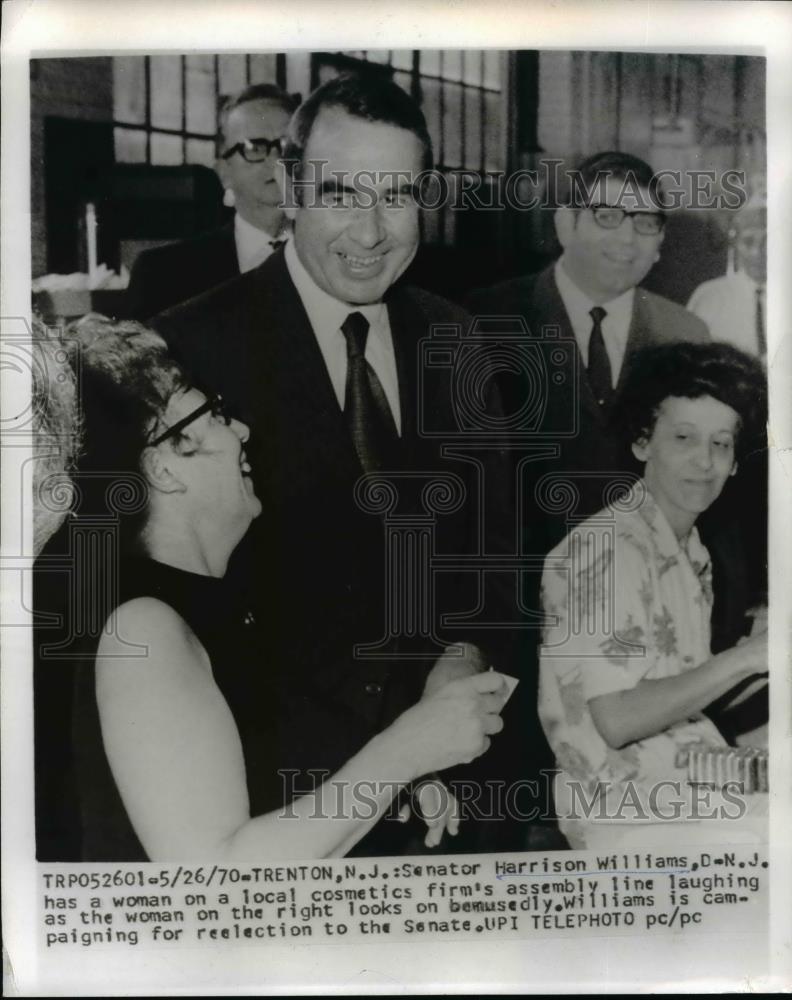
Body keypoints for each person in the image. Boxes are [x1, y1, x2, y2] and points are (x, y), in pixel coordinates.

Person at [152, 73, 516, 855]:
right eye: (343, 191)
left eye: (397, 195)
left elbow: (495, 558)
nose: (372, 230)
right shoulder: (190, 347)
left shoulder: (461, 342)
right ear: (290, 188)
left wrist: (460, 660)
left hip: (451, 804)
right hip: (270, 816)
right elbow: (165, 604)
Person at [67, 317, 507, 862]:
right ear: (163, 468)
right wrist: (407, 751)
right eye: (216, 415)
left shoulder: (220, 603)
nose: (242, 432)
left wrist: (399, 782)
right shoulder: (145, 629)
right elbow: (212, 876)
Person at [538, 341, 767, 850]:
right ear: (642, 443)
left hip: (691, 786)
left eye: (721, 444)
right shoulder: (605, 549)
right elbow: (618, 720)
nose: (704, 462)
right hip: (632, 819)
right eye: (683, 437)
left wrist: (763, 657)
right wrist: (748, 658)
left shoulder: (686, 547)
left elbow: (680, 694)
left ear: (734, 462)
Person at [126, 84, 299, 320]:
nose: (275, 160)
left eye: (286, 146)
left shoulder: (337, 258)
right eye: (254, 147)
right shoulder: (163, 274)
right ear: (224, 171)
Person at [688, 192, 767, 359]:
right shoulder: (709, 297)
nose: (757, 252)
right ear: (735, 243)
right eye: (748, 241)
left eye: (768, 241)